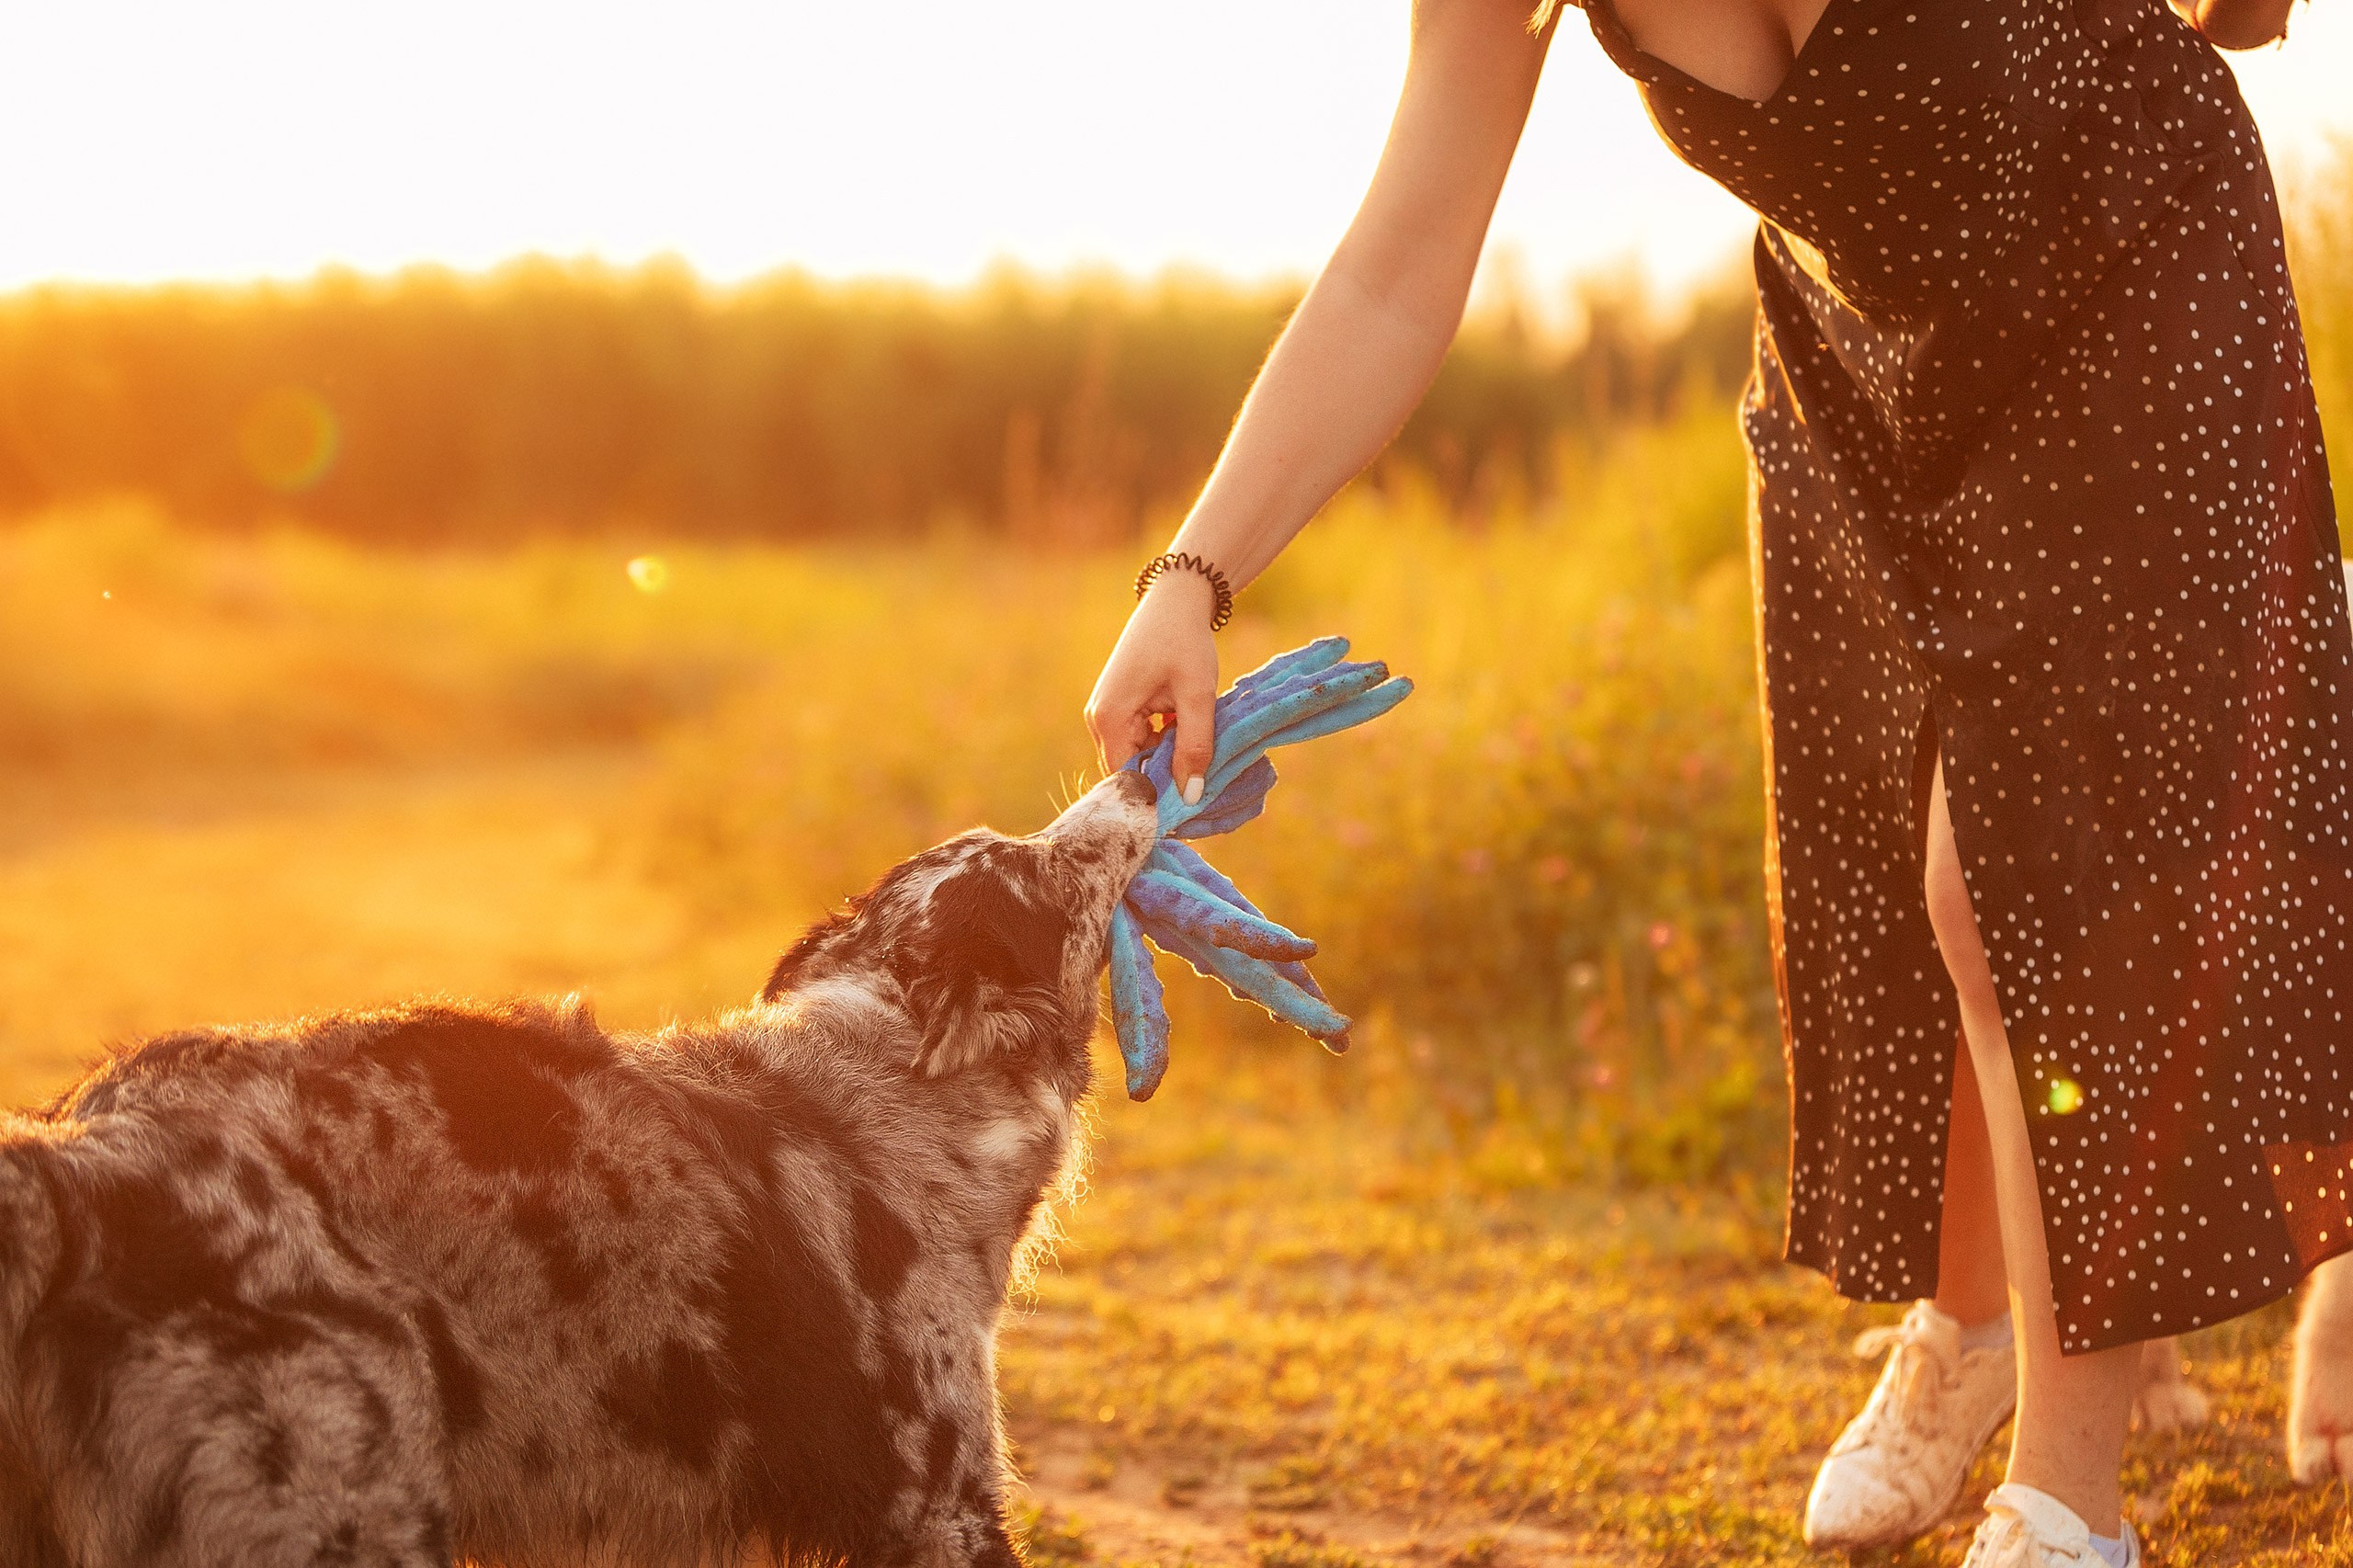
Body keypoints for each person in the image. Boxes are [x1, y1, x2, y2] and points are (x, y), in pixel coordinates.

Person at [1083, 1, 2337, 1563]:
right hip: (1866, 351)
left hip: (2126, 261)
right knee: (1898, 864)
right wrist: (1193, 578)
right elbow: (1402, 261)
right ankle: (1974, 1325)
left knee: (2002, 872)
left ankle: (2067, 1499)